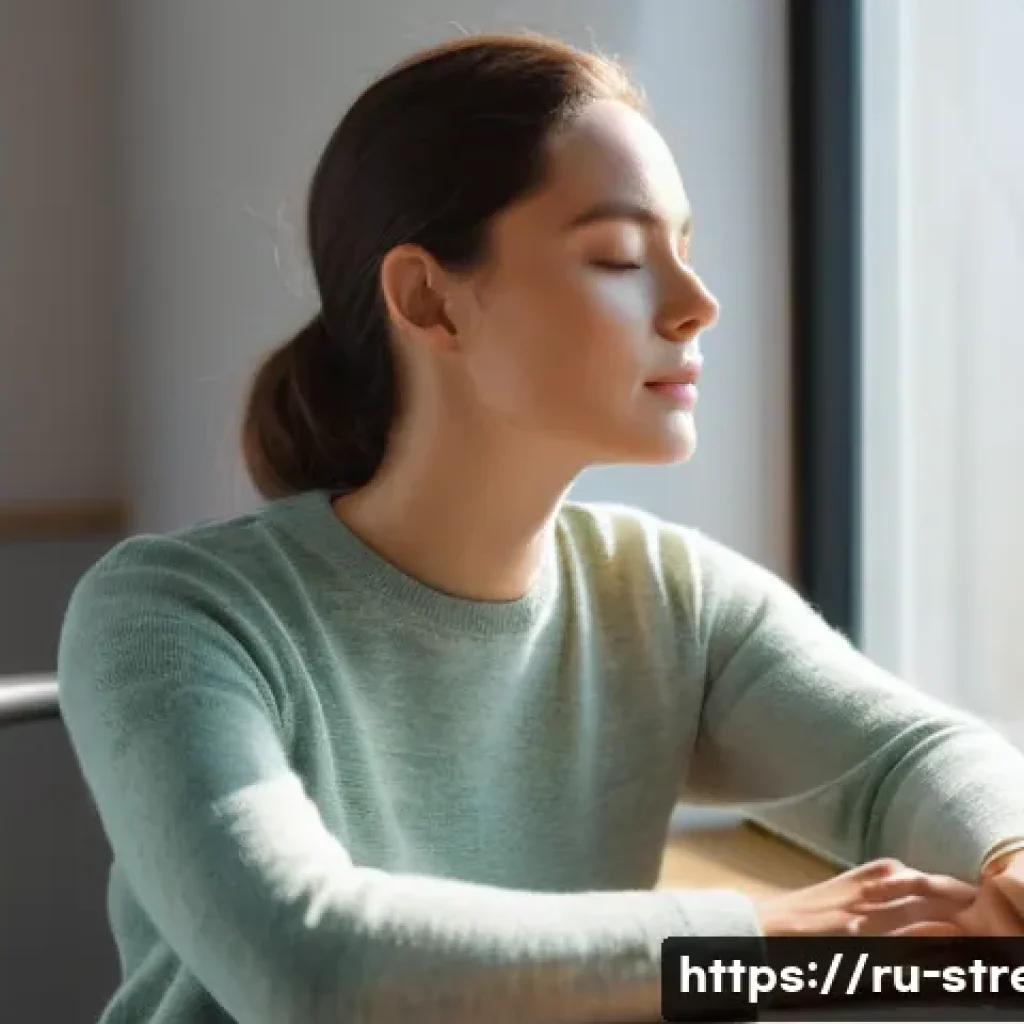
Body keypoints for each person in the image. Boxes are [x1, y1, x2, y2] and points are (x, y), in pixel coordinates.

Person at [57, 30, 1024, 1024]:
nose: (697, 305)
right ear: (429, 300)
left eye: (685, 251)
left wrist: (1009, 854)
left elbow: (902, 759)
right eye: (619, 257)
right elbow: (309, 966)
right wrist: (754, 942)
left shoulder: (662, 594)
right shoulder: (172, 614)